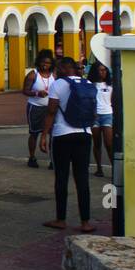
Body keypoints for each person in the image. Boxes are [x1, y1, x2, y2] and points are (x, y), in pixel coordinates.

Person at [40, 56, 97, 233]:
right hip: (84, 134)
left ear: (64, 68)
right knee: (82, 179)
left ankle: (61, 219)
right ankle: (85, 222)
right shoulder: (87, 83)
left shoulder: (58, 85)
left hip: (63, 135)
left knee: (62, 178)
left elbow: (51, 111)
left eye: (57, 68)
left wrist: (44, 136)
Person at [22, 50, 55, 168]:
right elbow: (25, 91)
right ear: (38, 62)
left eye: (48, 63)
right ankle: (32, 157)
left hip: (50, 108)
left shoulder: (54, 75)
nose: (45, 65)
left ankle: (53, 159)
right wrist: (36, 93)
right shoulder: (33, 74)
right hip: (35, 107)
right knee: (34, 133)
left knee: (52, 133)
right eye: (43, 62)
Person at [89, 61, 113, 178]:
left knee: (109, 143)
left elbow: (114, 101)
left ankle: (115, 168)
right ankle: (99, 168)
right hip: (95, 116)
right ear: (95, 71)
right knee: (97, 143)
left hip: (107, 114)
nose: (103, 72)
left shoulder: (111, 84)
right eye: (100, 70)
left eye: (104, 70)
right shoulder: (90, 84)